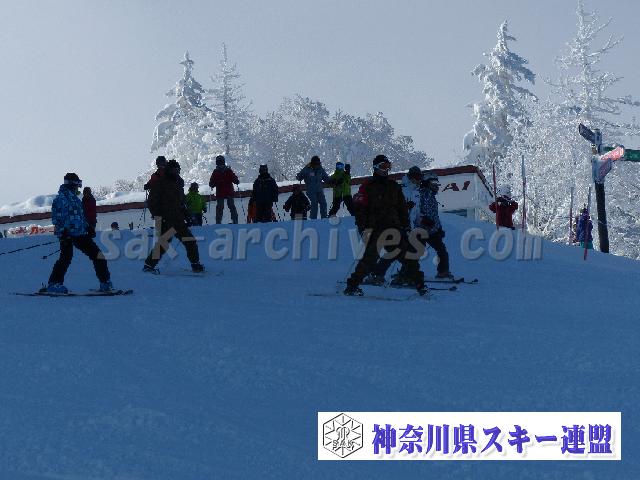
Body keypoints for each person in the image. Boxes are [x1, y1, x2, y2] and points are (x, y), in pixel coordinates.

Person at [344, 155, 427, 296]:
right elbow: (359, 210)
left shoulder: (393, 186)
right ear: (376, 168)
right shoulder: (367, 186)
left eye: (388, 166)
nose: (386, 170)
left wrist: (406, 226)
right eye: (383, 166)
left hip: (393, 228)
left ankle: (421, 286)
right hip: (375, 229)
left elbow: (402, 209)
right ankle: (352, 286)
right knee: (369, 260)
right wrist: (363, 228)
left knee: (408, 256)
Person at [46, 173, 113, 293]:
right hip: (67, 235)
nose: (78, 187)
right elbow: (57, 219)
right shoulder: (60, 199)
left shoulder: (76, 199)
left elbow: (80, 217)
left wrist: (88, 227)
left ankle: (105, 283)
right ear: (72, 184)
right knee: (66, 258)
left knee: (98, 255)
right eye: (77, 184)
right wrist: (63, 234)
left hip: (80, 234)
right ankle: (54, 284)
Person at [365, 165, 425, 286]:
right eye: (417, 178)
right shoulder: (402, 189)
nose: (419, 180)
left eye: (420, 178)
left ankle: (399, 274)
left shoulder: (417, 192)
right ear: (411, 177)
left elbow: (416, 212)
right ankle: (388, 275)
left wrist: (422, 222)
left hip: (409, 227)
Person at [143, 160, 204, 273]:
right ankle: (148, 265)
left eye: (178, 170)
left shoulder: (178, 184)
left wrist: (187, 216)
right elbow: (151, 203)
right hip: (166, 220)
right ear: (169, 170)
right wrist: (159, 217)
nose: (177, 172)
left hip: (178, 219)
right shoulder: (160, 184)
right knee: (164, 244)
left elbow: (182, 203)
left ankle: (195, 264)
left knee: (190, 240)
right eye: (175, 170)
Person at [418, 172, 452, 279]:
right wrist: (424, 220)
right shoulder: (421, 195)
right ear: (426, 183)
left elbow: (434, 215)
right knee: (415, 251)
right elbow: (416, 212)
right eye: (433, 182)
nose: (436, 185)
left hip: (432, 230)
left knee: (442, 251)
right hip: (421, 229)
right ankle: (406, 272)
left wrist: (439, 228)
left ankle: (443, 272)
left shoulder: (432, 196)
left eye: (437, 183)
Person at [208, 155, 240, 224]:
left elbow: (211, 182)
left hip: (221, 193)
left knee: (220, 208)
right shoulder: (227, 170)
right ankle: (235, 221)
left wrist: (212, 184)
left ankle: (218, 222)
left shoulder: (216, 171)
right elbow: (235, 179)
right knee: (231, 206)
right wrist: (236, 181)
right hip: (228, 192)